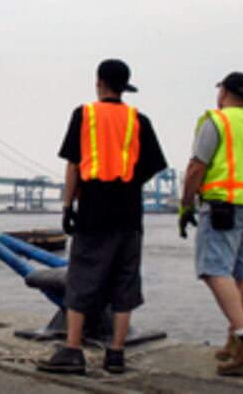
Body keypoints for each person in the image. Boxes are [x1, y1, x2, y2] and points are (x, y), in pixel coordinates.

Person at [37, 59, 166, 375]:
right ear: (125, 87)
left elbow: (73, 165)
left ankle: (73, 349)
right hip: (130, 213)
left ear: (99, 81)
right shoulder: (140, 120)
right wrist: (130, 182)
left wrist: (68, 207)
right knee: (125, 280)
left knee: (82, 278)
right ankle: (116, 353)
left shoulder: (85, 115)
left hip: (94, 210)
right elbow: (153, 164)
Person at [179, 71, 243, 376]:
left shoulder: (215, 121)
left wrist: (185, 205)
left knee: (213, 269)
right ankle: (235, 339)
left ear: (224, 92)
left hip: (221, 206)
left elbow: (196, 167)